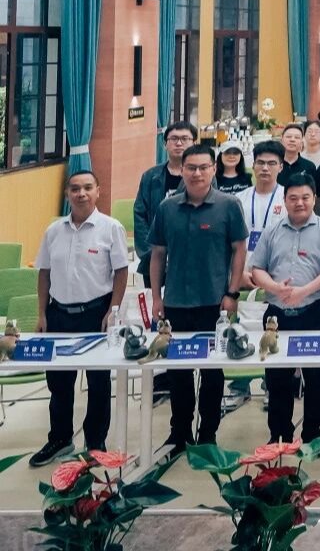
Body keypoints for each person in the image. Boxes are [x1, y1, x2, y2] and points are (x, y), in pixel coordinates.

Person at [149, 144, 249, 451]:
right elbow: (157, 255)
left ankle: (208, 432)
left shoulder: (229, 205)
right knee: (178, 372)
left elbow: (239, 250)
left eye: (204, 167)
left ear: (213, 169)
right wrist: (156, 298)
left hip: (214, 303)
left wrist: (232, 293)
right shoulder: (167, 208)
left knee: (212, 371)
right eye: (191, 168)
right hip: (176, 302)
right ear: (181, 170)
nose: (197, 173)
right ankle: (179, 432)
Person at [30, 171, 128, 466]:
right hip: (59, 315)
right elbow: (44, 273)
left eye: (87, 188)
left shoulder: (111, 228)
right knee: (59, 383)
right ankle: (60, 439)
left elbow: (121, 271)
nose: (81, 193)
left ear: (98, 191)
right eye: (75, 189)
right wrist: (42, 313)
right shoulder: (54, 231)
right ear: (67, 194)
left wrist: (113, 311)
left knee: (98, 382)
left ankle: (95, 441)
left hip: (96, 314)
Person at [249, 173, 320, 443]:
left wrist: (304, 291)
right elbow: (257, 269)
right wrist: (275, 287)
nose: (299, 203)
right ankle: (279, 432)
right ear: (285, 200)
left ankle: (313, 432)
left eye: (305, 197)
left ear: (314, 199)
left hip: (314, 310)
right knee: (277, 376)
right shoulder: (272, 230)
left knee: (315, 375)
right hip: (276, 316)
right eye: (293, 198)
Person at [135, 122, 196, 289]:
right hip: (155, 257)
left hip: (191, 260)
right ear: (165, 144)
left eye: (185, 139)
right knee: (155, 302)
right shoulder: (150, 176)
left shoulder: (203, 176)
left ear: (194, 143)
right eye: (173, 139)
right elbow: (140, 215)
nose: (179, 143)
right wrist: (150, 253)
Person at [236, 140, 288, 290]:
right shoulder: (238, 199)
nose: (265, 168)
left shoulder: (288, 198)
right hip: (242, 273)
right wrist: (239, 274)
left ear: (281, 167)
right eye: (260, 163)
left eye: (271, 163)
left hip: (277, 274)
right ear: (253, 165)